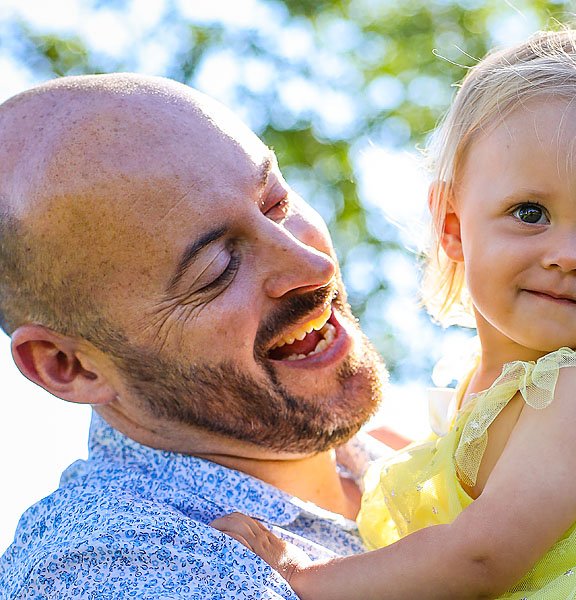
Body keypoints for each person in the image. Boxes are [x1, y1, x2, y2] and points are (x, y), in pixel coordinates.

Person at [213, 23, 576, 599]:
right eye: (530, 212)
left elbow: (478, 560)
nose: (569, 256)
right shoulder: (484, 387)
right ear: (453, 224)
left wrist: (300, 575)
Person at [0, 73, 390, 598]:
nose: (313, 264)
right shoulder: (116, 566)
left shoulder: (433, 451)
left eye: (276, 203)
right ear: (69, 366)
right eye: (217, 268)